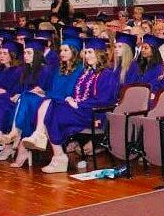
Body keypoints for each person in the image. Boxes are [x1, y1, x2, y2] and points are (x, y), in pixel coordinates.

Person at [22, 38, 117, 173]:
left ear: (100, 54)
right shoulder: (87, 73)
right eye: (86, 52)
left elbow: (104, 100)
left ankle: (57, 154)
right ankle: (54, 152)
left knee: (52, 111)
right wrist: (72, 100)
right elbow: (77, 93)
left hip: (95, 114)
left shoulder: (108, 75)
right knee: (50, 105)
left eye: (91, 52)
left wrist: (78, 103)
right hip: (80, 110)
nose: (87, 55)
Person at [7, 39, 83, 168]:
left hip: (63, 103)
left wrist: (46, 93)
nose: (62, 53)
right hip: (52, 99)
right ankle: (26, 137)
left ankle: (22, 140)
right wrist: (44, 91)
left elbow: (68, 93)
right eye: (61, 50)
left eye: (66, 50)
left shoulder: (79, 70)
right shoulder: (60, 69)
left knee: (34, 101)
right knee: (27, 96)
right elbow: (53, 90)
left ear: (74, 52)